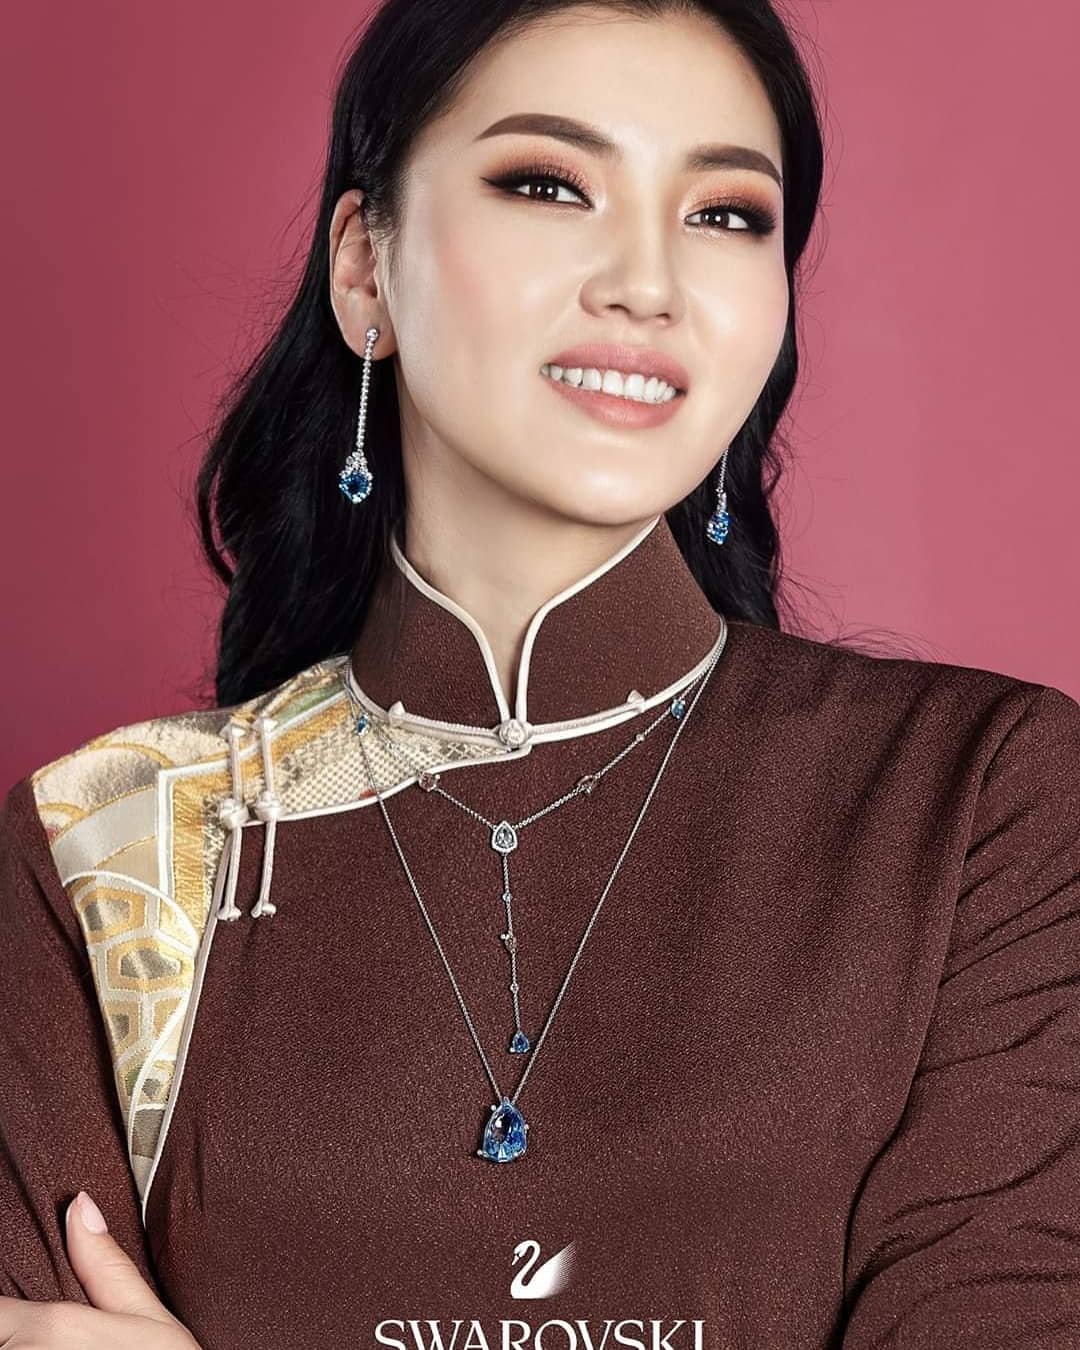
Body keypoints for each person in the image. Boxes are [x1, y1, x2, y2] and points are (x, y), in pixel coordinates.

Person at [2, 1, 1078, 1346]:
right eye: (548, 184)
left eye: (726, 213)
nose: (648, 282)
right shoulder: (103, 844)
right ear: (365, 271)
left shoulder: (978, 802)